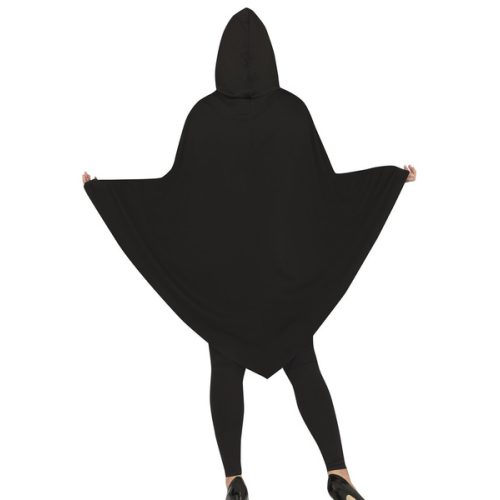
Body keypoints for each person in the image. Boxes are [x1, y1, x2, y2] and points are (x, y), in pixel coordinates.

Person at [82, 7, 416, 500]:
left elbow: (176, 195)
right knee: (304, 366)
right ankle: (339, 474)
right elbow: (324, 189)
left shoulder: (203, 116)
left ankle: (234, 480)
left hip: (224, 281)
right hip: (285, 276)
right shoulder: (292, 111)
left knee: (225, 369)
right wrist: (388, 180)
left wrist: (108, 194)